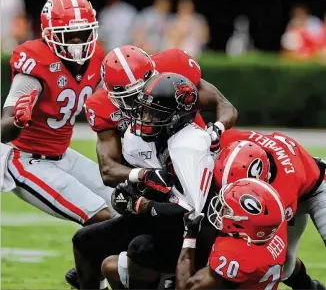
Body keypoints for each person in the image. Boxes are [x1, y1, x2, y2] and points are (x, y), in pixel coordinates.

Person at [0, 0, 118, 289]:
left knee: (124, 205)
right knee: (100, 218)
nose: (78, 43)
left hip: (62, 154)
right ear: (50, 35)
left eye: (84, 34)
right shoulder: (35, 63)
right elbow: (4, 127)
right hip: (25, 159)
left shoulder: (97, 57)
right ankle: (93, 280)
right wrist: (16, 120)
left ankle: (89, 274)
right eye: (70, 36)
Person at [73, 72, 216, 290]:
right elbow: (150, 186)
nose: (145, 119)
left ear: (178, 115)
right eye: (144, 110)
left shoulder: (190, 145)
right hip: (163, 216)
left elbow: (192, 215)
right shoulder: (141, 137)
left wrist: (143, 205)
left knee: (136, 251)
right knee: (85, 241)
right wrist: (132, 191)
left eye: (154, 113)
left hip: (193, 232)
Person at [84, 45, 237, 189]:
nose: (141, 99)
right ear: (114, 96)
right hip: (150, 164)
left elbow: (223, 104)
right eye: (131, 97)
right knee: (123, 198)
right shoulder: (100, 105)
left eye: (144, 89)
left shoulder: (174, 69)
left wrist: (217, 128)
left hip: (196, 147)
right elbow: (108, 170)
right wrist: (144, 175)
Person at [213, 129, 326, 290]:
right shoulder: (232, 139)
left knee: (276, 260)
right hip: (295, 182)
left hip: (318, 189)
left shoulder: (284, 188)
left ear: (263, 176)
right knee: (286, 264)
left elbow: (266, 236)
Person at [176, 178, 288, 290]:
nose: (221, 210)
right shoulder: (275, 227)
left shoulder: (236, 257)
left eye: (227, 210)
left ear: (244, 223)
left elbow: (185, 288)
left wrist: (190, 234)